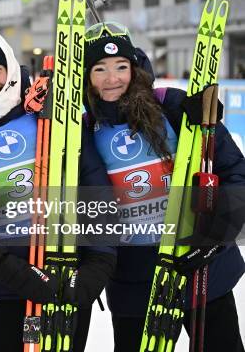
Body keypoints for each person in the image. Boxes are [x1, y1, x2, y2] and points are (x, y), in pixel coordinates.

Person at [0, 28, 117, 352]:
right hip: (2, 286)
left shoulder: (50, 114)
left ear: (9, 65)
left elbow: (97, 191)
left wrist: (98, 264)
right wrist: (1, 266)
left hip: (65, 277)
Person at [82, 21, 245, 351]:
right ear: (86, 77)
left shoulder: (171, 105)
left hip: (200, 266)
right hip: (133, 278)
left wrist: (214, 237)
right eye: (99, 69)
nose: (112, 79)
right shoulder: (82, 130)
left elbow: (235, 173)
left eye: (121, 67)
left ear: (135, 66)